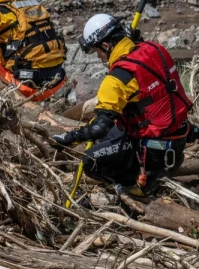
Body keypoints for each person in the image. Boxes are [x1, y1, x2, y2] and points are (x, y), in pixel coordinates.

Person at [52, 14, 194, 193]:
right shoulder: (155, 49)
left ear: (106, 46)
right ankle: (149, 172)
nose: (99, 57)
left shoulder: (117, 78)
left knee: (91, 161)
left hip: (154, 153)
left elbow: (99, 128)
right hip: (179, 138)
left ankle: (136, 184)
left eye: (97, 51)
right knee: (108, 136)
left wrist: (68, 138)